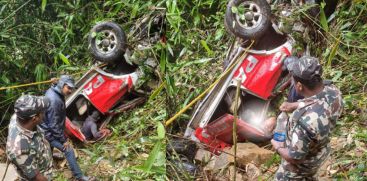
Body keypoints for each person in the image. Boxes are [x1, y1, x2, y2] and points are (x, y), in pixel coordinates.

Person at [271, 56, 343, 180]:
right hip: (321, 152)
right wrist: (295, 105)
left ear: (299, 86)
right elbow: (318, 101)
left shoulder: (303, 122)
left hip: (299, 169)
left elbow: (295, 158)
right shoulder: (334, 91)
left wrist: (277, 146)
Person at [39, 75, 94, 181]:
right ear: (62, 85)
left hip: (45, 128)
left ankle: (49, 166)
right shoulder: (54, 100)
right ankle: (80, 176)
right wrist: (63, 140)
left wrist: (54, 82)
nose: (70, 90)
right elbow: (53, 125)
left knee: (48, 151)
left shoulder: (54, 90)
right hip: (48, 132)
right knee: (68, 150)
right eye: (68, 88)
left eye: (71, 88)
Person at [6, 95, 53, 180]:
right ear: (34, 119)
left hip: (42, 161)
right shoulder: (20, 150)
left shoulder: (18, 117)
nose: (44, 113)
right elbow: (37, 177)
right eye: (42, 112)